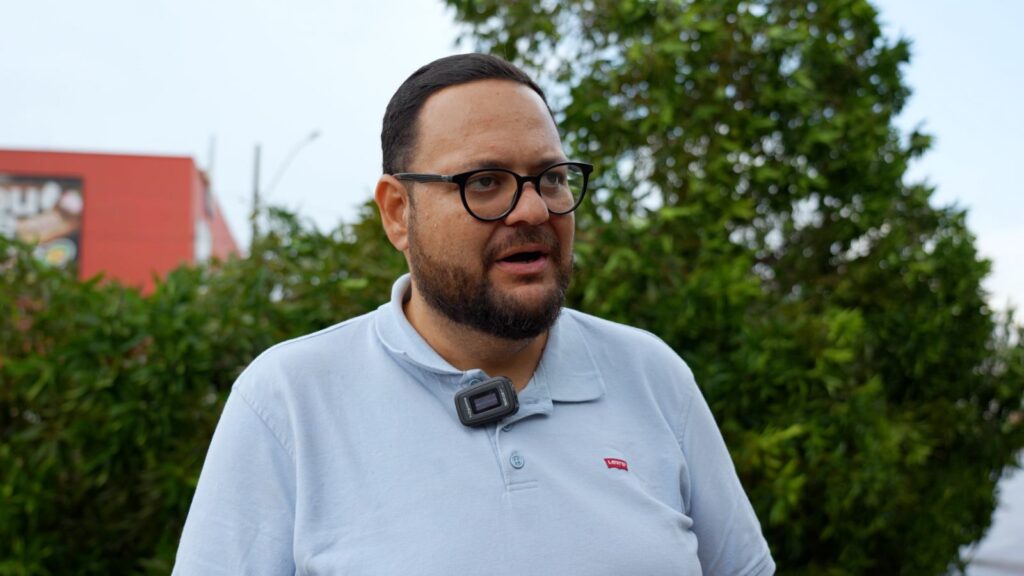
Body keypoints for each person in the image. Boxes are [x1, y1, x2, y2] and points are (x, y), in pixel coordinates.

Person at [173, 53, 775, 575]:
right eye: (485, 182)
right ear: (398, 212)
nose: (533, 210)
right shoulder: (288, 401)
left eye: (552, 178)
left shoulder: (652, 375)